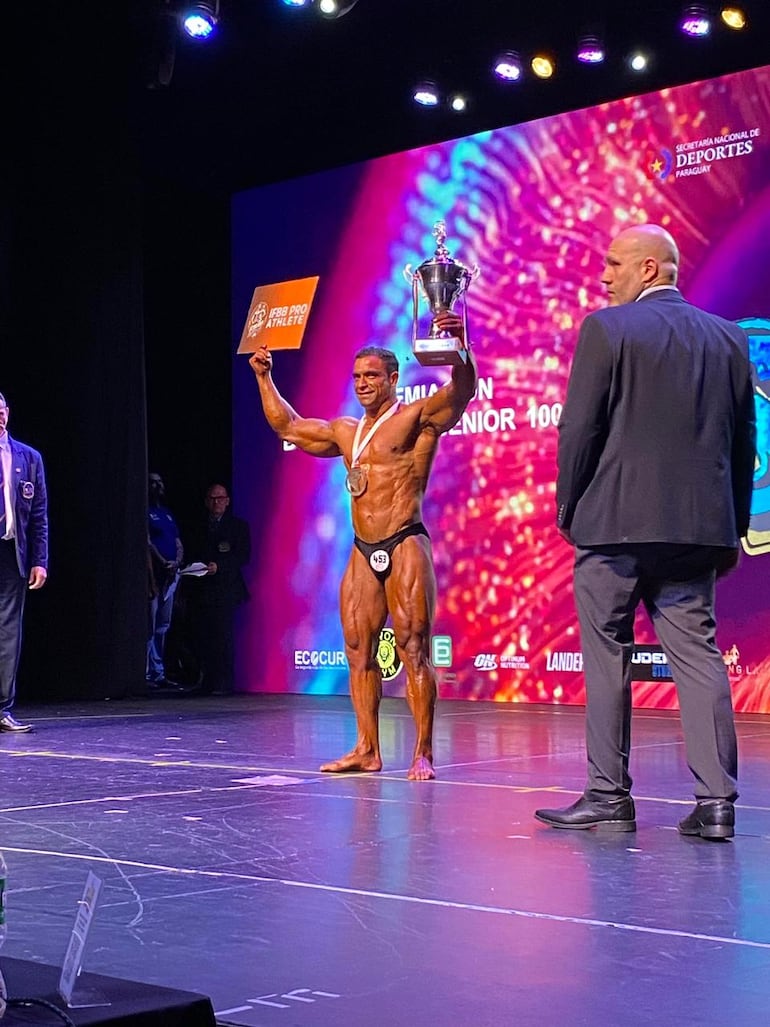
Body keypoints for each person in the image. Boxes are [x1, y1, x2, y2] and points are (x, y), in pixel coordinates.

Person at [534, 224, 756, 840]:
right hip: (697, 529)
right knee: (698, 657)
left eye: (613, 264)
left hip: (613, 527)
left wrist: (566, 508)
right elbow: (744, 443)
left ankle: (608, 795)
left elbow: (577, 431)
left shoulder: (607, 329)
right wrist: (732, 526)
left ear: (651, 270)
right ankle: (716, 804)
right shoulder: (729, 339)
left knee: (607, 653)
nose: (604, 276)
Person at [249, 311, 477, 780]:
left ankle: (423, 753)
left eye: (371, 376)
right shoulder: (345, 431)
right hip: (361, 547)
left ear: (394, 379)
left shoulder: (416, 418)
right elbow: (288, 427)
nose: (362, 383)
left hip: (404, 541)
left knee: (414, 647)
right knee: (358, 650)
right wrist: (264, 377)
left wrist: (460, 351)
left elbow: (461, 393)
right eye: (356, 377)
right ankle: (367, 750)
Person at [0, 392, 48, 732]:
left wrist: (39, 560)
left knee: (8, 634)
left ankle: (3, 708)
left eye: (0, 411)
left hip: (11, 553)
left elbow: (40, 516)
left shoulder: (28, 458)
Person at [184, 483, 251, 695]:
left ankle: (224, 682)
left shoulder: (238, 527)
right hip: (202, 588)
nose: (216, 503)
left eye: (220, 498)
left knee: (223, 637)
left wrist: (219, 566)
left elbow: (243, 556)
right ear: (206, 502)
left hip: (225, 590)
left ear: (227, 500)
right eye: (212, 499)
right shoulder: (198, 527)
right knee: (203, 636)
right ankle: (206, 680)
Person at [146, 472, 183, 688]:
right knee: (149, 625)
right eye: (153, 482)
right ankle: (146, 673)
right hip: (154, 576)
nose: (157, 486)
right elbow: (148, 543)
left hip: (171, 575)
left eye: (160, 482)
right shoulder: (146, 512)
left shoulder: (167, 513)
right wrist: (162, 562)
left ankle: (158, 672)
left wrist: (177, 561)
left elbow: (178, 542)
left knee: (163, 624)